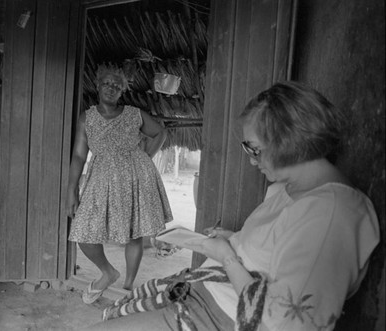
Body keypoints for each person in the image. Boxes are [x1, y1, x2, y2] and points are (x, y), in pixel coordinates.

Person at [85, 81, 380, 330]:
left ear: (287, 141)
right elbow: (273, 249)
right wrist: (234, 240)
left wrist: (228, 258)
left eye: (254, 148)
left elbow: (284, 324)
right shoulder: (289, 189)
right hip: (208, 294)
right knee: (116, 314)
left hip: (220, 317)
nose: (251, 160)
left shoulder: (332, 215)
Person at [66, 64, 173, 304]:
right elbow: (79, 156)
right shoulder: (87, 118)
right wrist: (71, 189)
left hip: (135, 176)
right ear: (98, 85)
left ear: (122, 91)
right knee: (84, 231)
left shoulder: (134, 113)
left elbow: (160, 133)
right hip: (101, 177)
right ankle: (108, 273)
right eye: (107, 83)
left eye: (117, 86)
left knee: (134, 233)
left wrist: (146, 157)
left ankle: (127, 284)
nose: (111, 88)